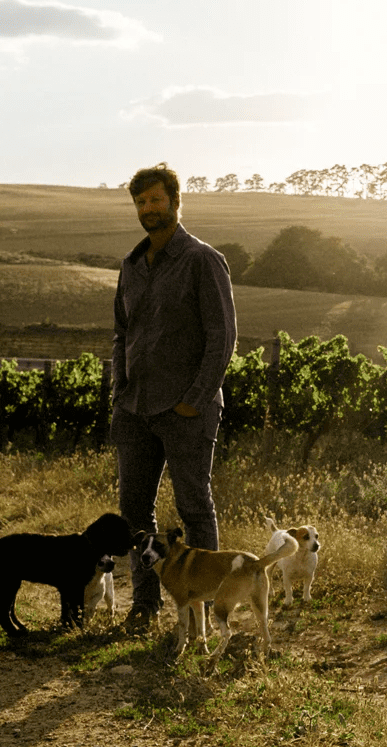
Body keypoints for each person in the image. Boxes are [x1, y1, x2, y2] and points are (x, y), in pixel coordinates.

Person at [110, 162, 237, 632]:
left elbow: (222, 336)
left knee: (194, 509)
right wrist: (120, 392)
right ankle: (145, 604)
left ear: (176, 202)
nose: (148, 208)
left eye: (156, 200)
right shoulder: (130, 265)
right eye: (141, 202)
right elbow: (121, 335)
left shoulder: (202, 260)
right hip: (135, 409)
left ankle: (203, 613)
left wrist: (195, 400)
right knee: (133, 513)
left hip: (186, 410)